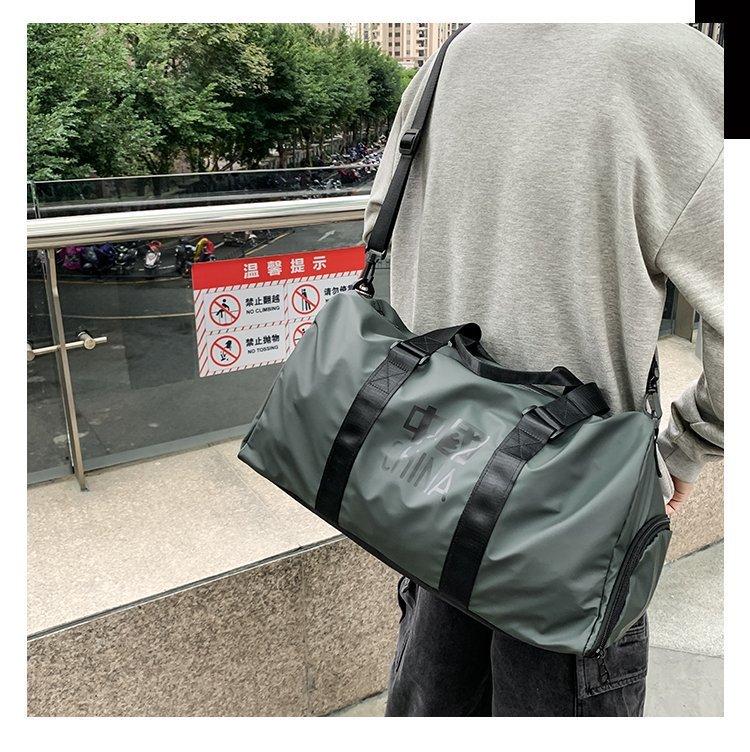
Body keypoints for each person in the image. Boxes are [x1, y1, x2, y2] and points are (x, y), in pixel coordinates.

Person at [362, 23, 723, 718]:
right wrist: (688, 444)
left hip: (430, 484)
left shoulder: (451, 56)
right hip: (572, 523)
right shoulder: (675, 63)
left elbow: (383, 222)